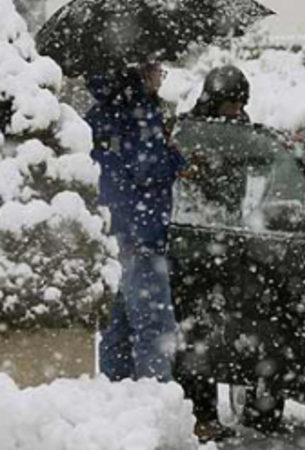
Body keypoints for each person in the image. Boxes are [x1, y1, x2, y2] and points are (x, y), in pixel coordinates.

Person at [85, 61, 187, 383]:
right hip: (142, 230)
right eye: (158, 71)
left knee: (118, 326)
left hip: (113, 228)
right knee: (154, 326)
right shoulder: (141, 112)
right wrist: (175, 156)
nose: (161, 79)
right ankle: (154, 398)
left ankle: (116, 393)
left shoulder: (100, 111)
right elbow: (148, 169)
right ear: (142, 72)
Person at [178, 64, 251, 443]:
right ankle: (198, 415)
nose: (236, 111)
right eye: (230, 104)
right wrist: (198, 169)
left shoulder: (243, 130)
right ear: (213, 100)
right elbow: (183, 180)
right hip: (189, 249)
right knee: (194, 337)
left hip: (229, 244)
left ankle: (212, 412)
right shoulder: (188, 131)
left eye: (241, 104)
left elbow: (254, 169)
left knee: (219, 337)